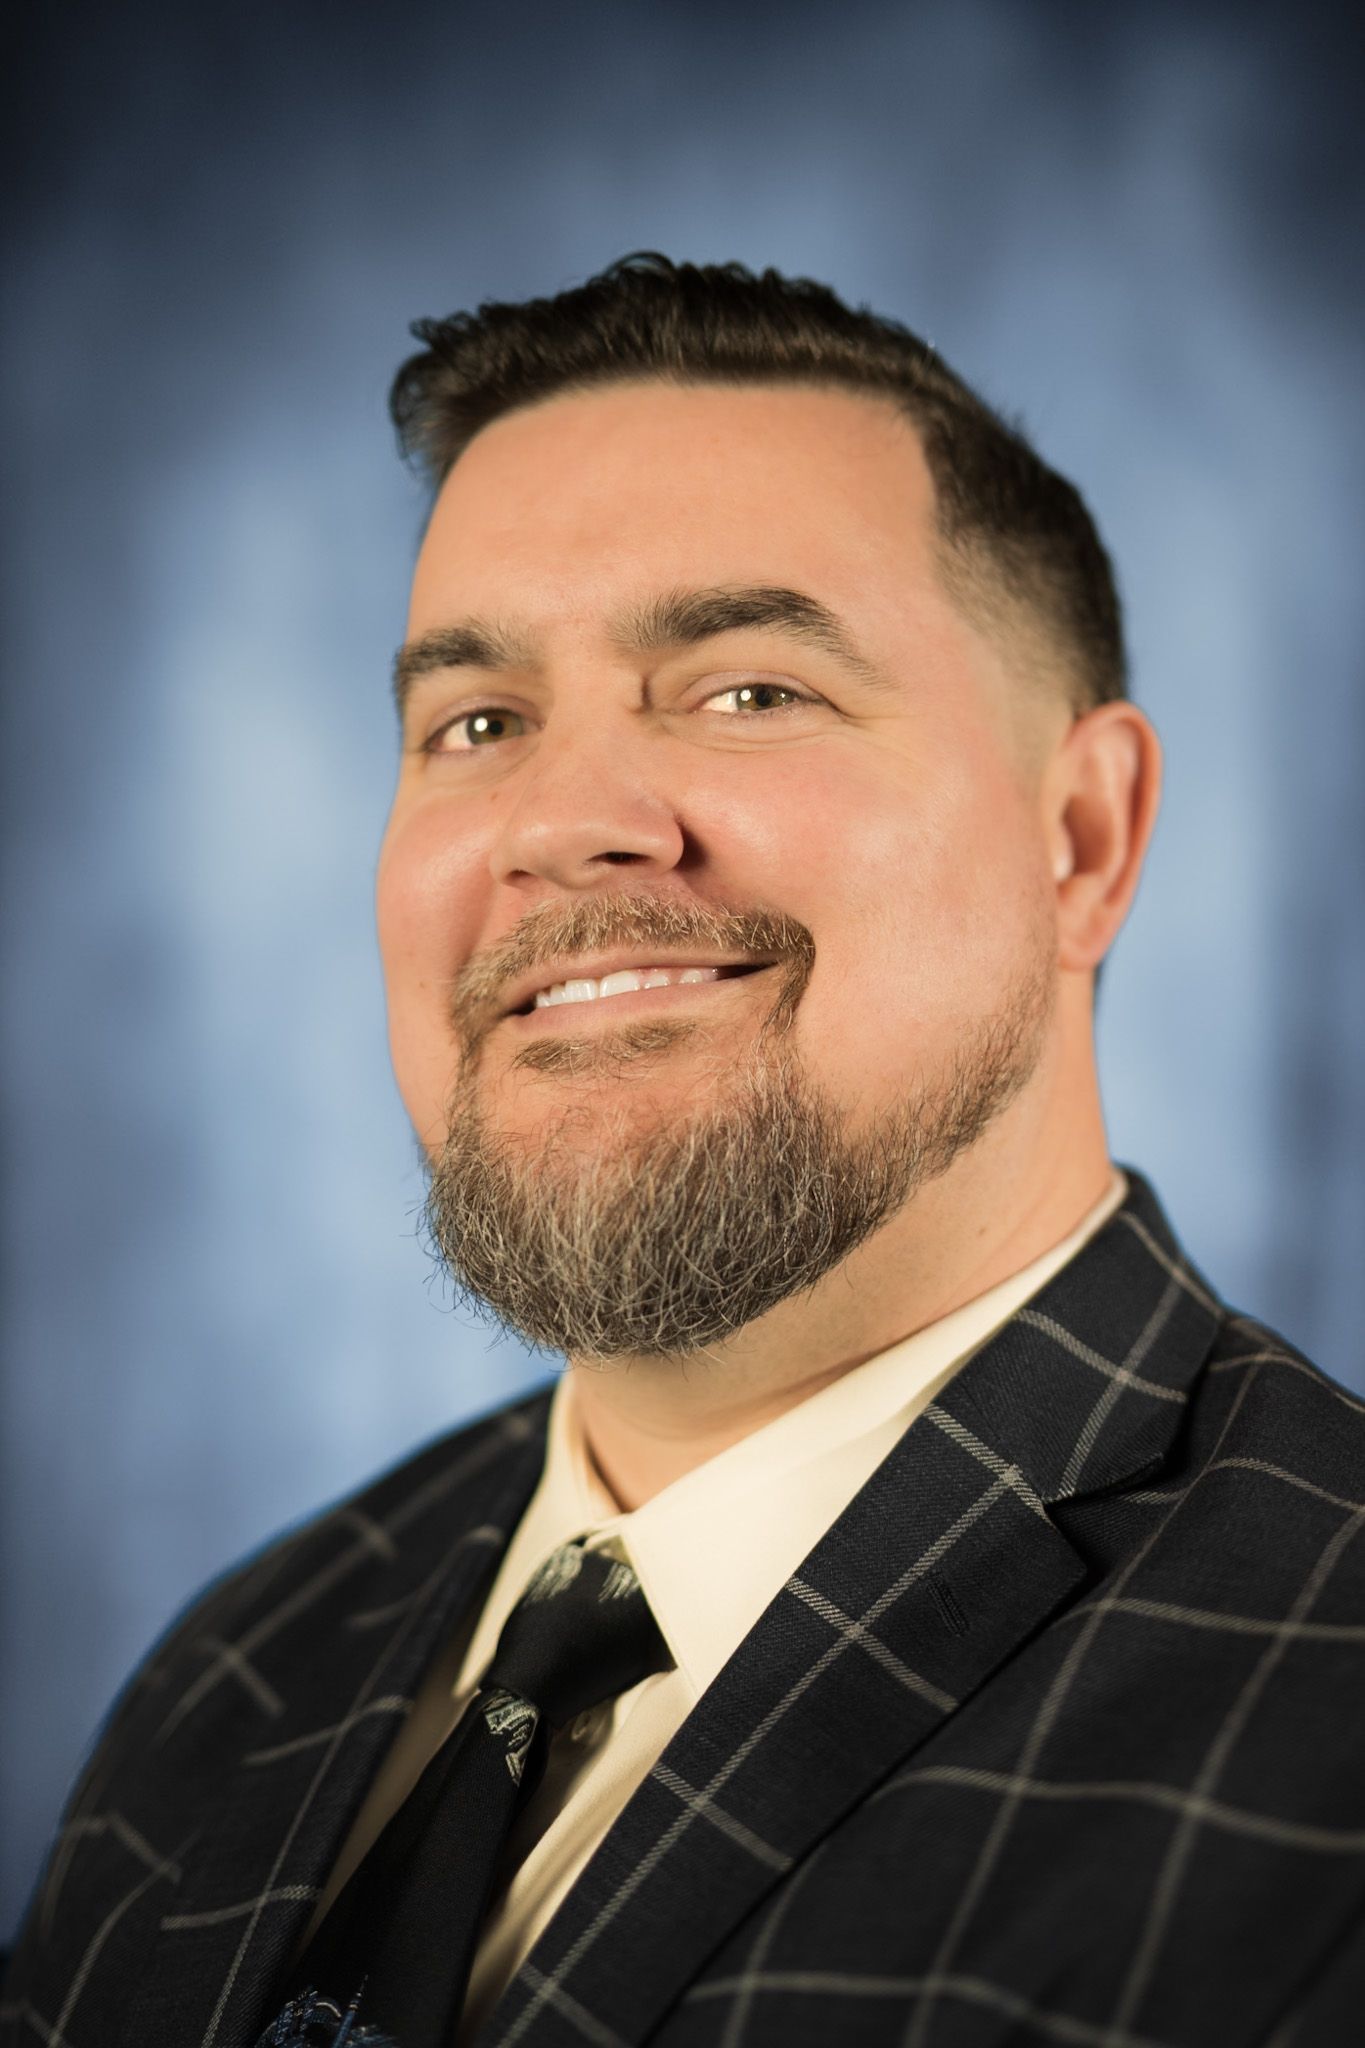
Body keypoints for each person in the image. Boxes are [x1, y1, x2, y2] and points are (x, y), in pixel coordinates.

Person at [3, 252, 1362, 2048]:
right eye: (476, 723)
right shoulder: (234, 1677)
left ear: (1081, 838)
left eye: (744, 691)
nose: (562, 823)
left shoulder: (1323, 1721)